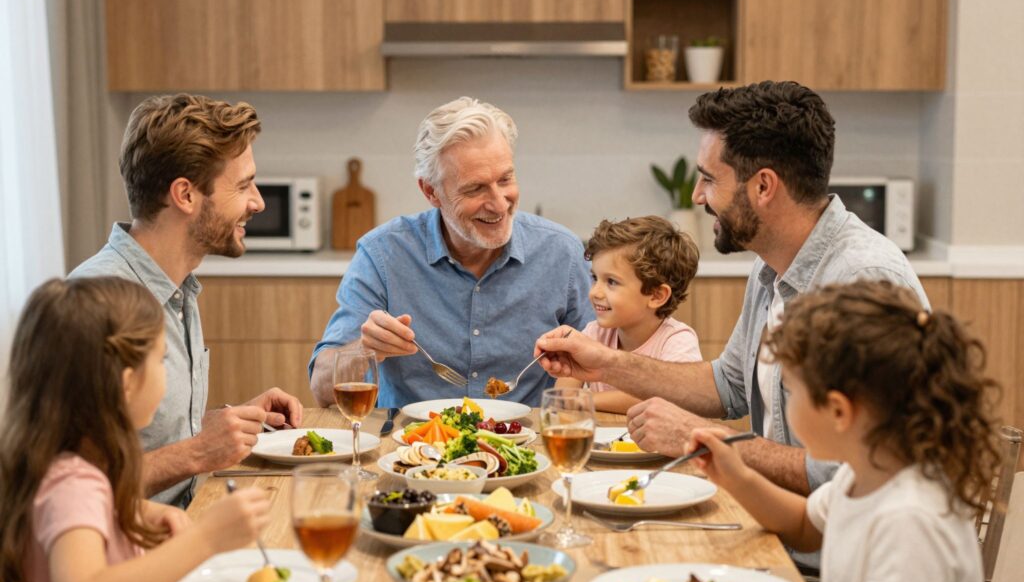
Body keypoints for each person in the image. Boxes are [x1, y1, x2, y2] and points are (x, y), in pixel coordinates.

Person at [537, 80, 928, 498]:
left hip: (828, 557)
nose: (698, 195)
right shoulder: (770, 265)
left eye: (709, 179)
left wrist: (708, 437)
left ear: (763, 186)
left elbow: (861, 475)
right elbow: (729, 386)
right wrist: (603, 364)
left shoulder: (863, 281)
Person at [686, 281, 996, 582]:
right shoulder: (864, 473)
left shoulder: (910, 519)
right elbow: (803, 526)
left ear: (838, 411)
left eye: (791, 392)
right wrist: (735, 475)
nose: (785, 409)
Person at [0, 277, 271, 582]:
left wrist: (135, 510)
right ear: (127, 383)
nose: (165, 375)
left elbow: (62, 521)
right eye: (161, 360)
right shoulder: (72, 481)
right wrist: (205, 539)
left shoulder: (54, 460)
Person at [70, 94, 302, 508]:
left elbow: (140, 439)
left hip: (186, 524)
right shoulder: (97, 305)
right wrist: (198, 451)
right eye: (244, 185)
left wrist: (226, 424)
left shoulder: (177, 289)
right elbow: (68, 490)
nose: (258, 203)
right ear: (186, 195)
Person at [309, 96, 593, 408]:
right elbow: (321, 386)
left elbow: (598, 366)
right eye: (475, 189)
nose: (499, 203)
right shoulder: (382, 255)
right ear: (431, 191)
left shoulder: (562, 253)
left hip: (526, 446)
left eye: (505, 179)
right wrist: (365, 349)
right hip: (409, 450)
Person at [556, 216, 702, 413]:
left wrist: (586, 399)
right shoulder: (595, 333)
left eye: (612, 282)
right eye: (595, 278)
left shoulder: (677, 340)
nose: (594, 292)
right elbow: (562, 397)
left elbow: (666, 398)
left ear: (657, 295)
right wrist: (564, 359)